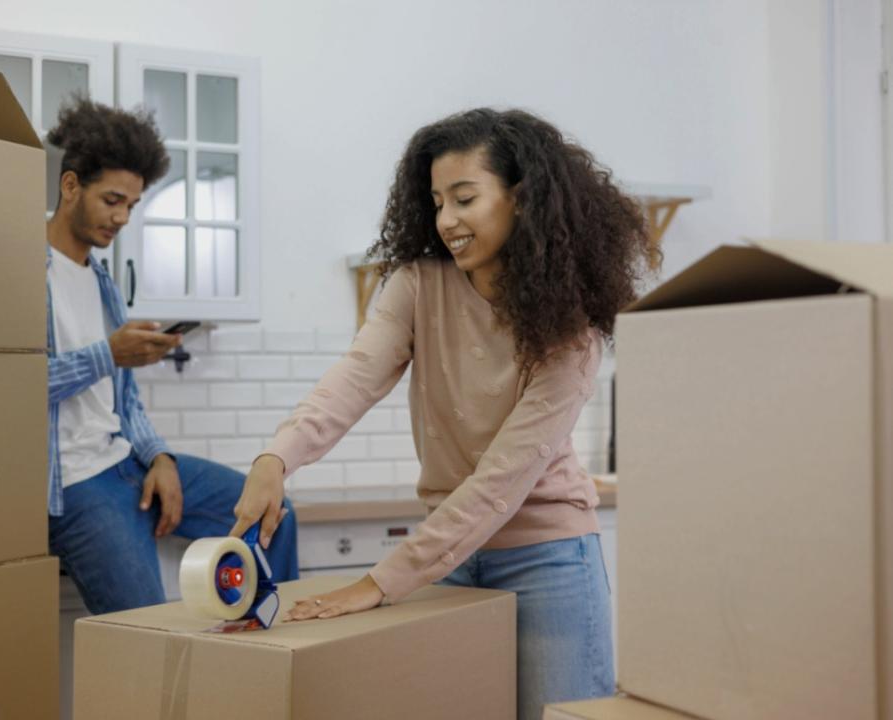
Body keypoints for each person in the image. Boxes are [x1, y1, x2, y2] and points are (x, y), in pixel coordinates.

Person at [230, 108, 649, 719]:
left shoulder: (570, 328)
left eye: (465, 198)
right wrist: (277, 456)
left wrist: (378, 583)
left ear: (522, 200)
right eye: (436, 201)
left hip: (549, 561)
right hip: (447, 561)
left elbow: (500, 482)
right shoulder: (418, 286)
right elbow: (354, 378)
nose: (446, 220)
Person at [44, 97, 298, 615]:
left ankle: (268, 659)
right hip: (74, 484)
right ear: (70, 186)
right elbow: (2, 385)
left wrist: (159, 456)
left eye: (132, 205)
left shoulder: (103, 283)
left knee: (277, 514)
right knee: (149, 632)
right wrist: (107, 353)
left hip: (126, 463)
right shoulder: (23, 271)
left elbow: (125, 399)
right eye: (112, 199)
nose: (122, 217)